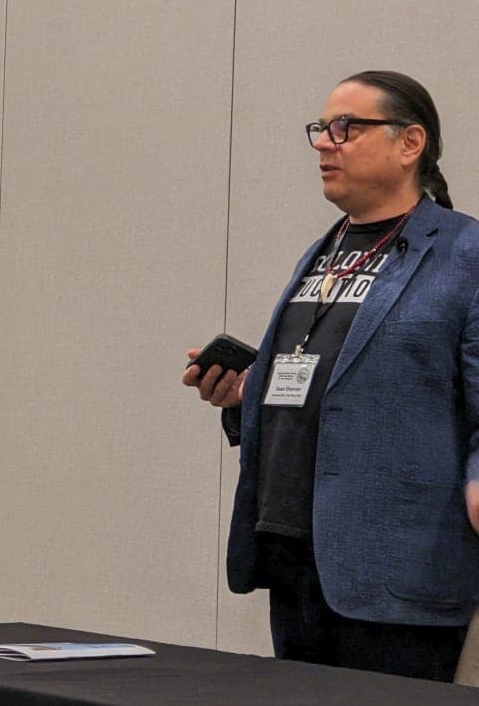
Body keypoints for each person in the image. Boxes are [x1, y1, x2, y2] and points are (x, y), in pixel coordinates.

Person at [182, 71, 479, 681]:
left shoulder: (463, 255)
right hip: (296, 560)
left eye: (346, 128)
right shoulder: (324, 253)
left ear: (409, 143)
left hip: (398, 574)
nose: (325, 142)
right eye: (321, 128)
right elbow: (324, 387)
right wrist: (246, 398)